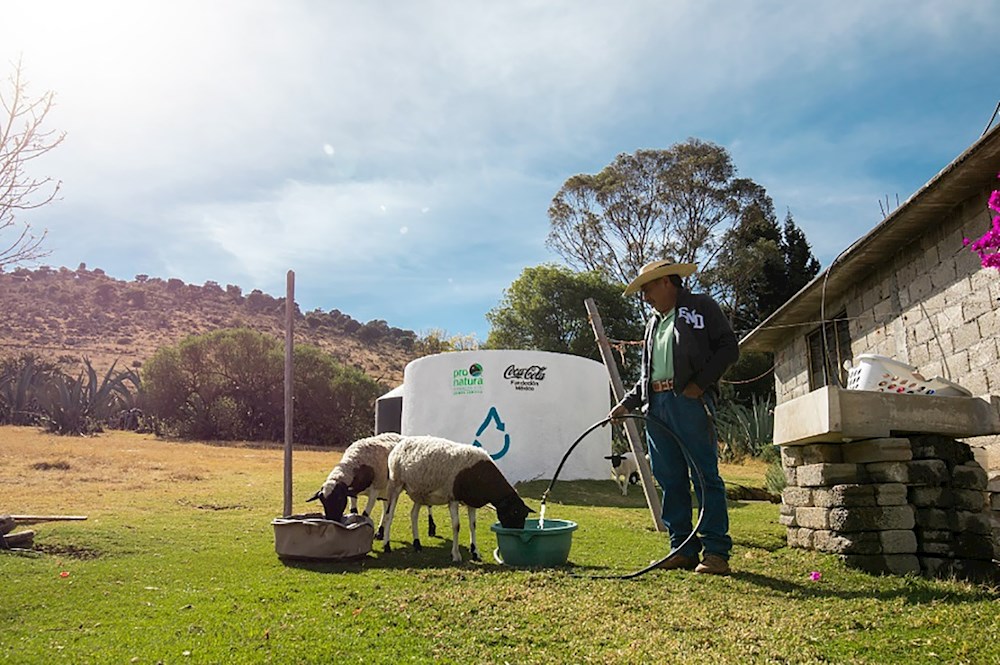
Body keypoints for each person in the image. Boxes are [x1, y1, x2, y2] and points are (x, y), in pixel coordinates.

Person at [609, 259, 739, 575]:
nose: (645, 296)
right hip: (656, 406)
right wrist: (627, 403)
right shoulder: (653, 322)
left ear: (667, 281)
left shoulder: (701, 306)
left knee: (704, 476)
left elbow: (728, 348)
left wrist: (698, 385)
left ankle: (716, 552)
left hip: (689, 402)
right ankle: (681, 548)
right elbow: (648, 372)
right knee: (669, 478)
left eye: (648, 288)